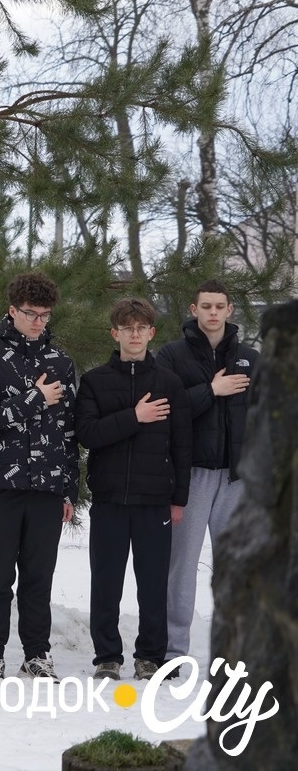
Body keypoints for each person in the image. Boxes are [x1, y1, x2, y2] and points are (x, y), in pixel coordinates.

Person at [0, 272, 79, 680]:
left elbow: (69, 433)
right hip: (0, 486)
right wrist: (34, 399)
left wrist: (69, 490)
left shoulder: (60, 362)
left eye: (45, 316)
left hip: (47, 488)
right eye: (31, 314)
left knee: (38, 578)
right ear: (13, 310)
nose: (38, 323)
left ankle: (37, 654)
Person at [76, 298, 192, 681]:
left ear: (152, 333)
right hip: (109, 499)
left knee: (153, 583)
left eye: (142, 327)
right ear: (116, 333)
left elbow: (181, 445)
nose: (135, 334)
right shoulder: (94, 381)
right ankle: (107, 656)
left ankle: (150, 656)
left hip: (155, 500)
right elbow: (88, 434)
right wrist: (134, 417)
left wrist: (179, 499)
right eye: (128, 328)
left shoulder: (168, 383)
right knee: (106, 583)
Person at [157, 279, 258, 663]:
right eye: (206, 306)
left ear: (230, 310)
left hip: (237, 478)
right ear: (193, 309)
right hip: (192, 474)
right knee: (181, 566)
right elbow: (165, 409)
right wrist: (210, 390)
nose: (213, 312)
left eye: (220, 306)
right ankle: (172, 650)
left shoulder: (250, 357)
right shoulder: (171, 356)